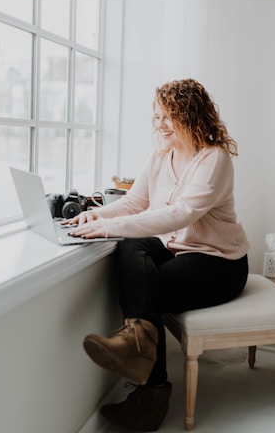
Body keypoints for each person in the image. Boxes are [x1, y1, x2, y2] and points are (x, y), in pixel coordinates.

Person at [65, 78, 250, 431]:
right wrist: (95, 216)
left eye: (168, 116)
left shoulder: (215, 159)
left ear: (190, 114)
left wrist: (109, 228)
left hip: (220, 262)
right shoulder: (160, 155)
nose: (159, 124)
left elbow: (181, 214)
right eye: (156, 116)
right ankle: (140, 350)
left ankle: (152, 392)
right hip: (177, 249)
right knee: (132, 247)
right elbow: (136, 203)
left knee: (147, 288)